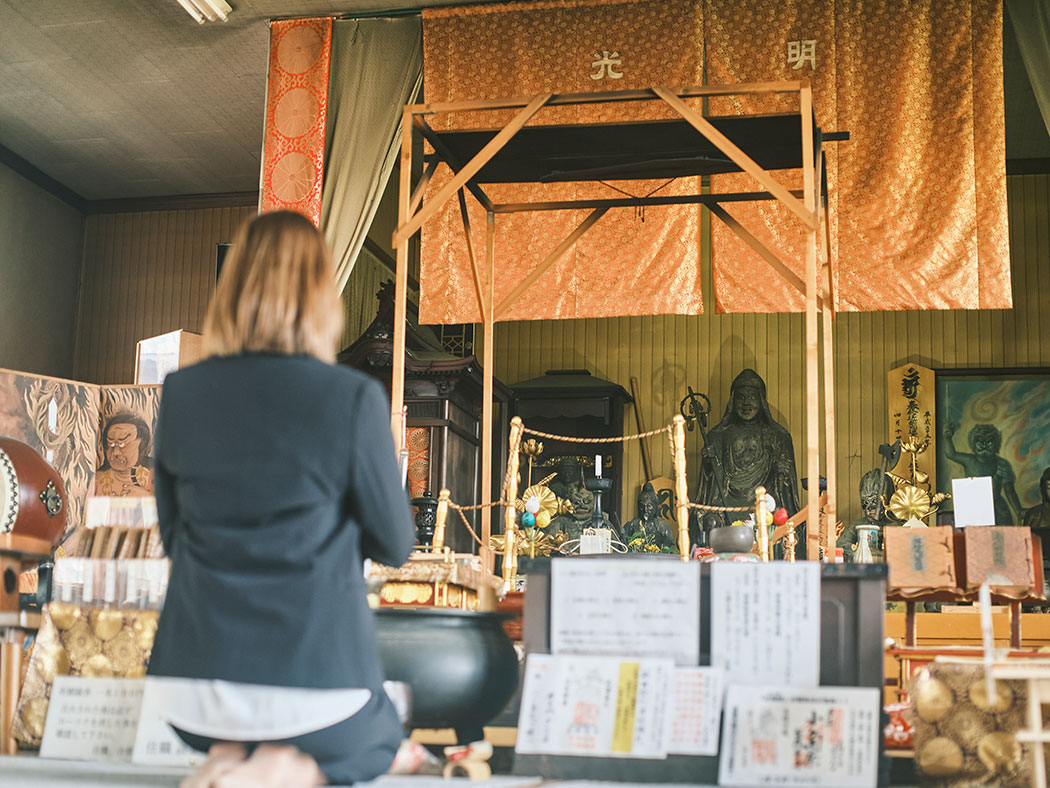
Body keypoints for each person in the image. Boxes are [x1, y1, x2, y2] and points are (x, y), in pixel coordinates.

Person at [147, 211, 415, 788]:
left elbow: (173, 536)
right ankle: (280, 762)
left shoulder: (182, 393)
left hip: (190, 691)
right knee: (381, 738)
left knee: (248, 725)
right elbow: (396, 544)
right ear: (322, 297)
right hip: (314, 686)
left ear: (233, 290)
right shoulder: (351, 397)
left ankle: (228, 754)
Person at [695, 369, 800, 538]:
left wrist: (783, 473)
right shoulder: (717, 436)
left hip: (764, 505)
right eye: (741, 397)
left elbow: (786, 491)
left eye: (752, 397)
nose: (746, 403)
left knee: (782, 525)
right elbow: (709, 486)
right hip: (726, 503)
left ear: (761, 401)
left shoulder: (778, 436)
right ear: (732, 400)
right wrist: (709, 464)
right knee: (711, 522)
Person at [943, 420, 1022, 524]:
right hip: (974, 507)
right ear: (973, 443)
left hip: (997, 510)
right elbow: (951, 454)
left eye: (989, 442)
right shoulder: (969, 460)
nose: (984, 445)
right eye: (980, 442)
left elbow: (1009, 491)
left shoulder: (1002, 464)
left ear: (996, 444)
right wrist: (947, 438)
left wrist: (1018, 510)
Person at [91, 412, 154, 497]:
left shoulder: (154, 477)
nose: (115, 453)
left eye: (122, 444)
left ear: (141, 444)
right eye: (111, 445)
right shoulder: (98, 481)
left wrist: (147, 497)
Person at [622, 481, 677, 552]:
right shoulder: (632, 525)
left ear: (655, 507)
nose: (645, 510)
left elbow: (670, 548)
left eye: (649, 506)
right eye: (642, 506)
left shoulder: (662, 526)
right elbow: (623, 546)